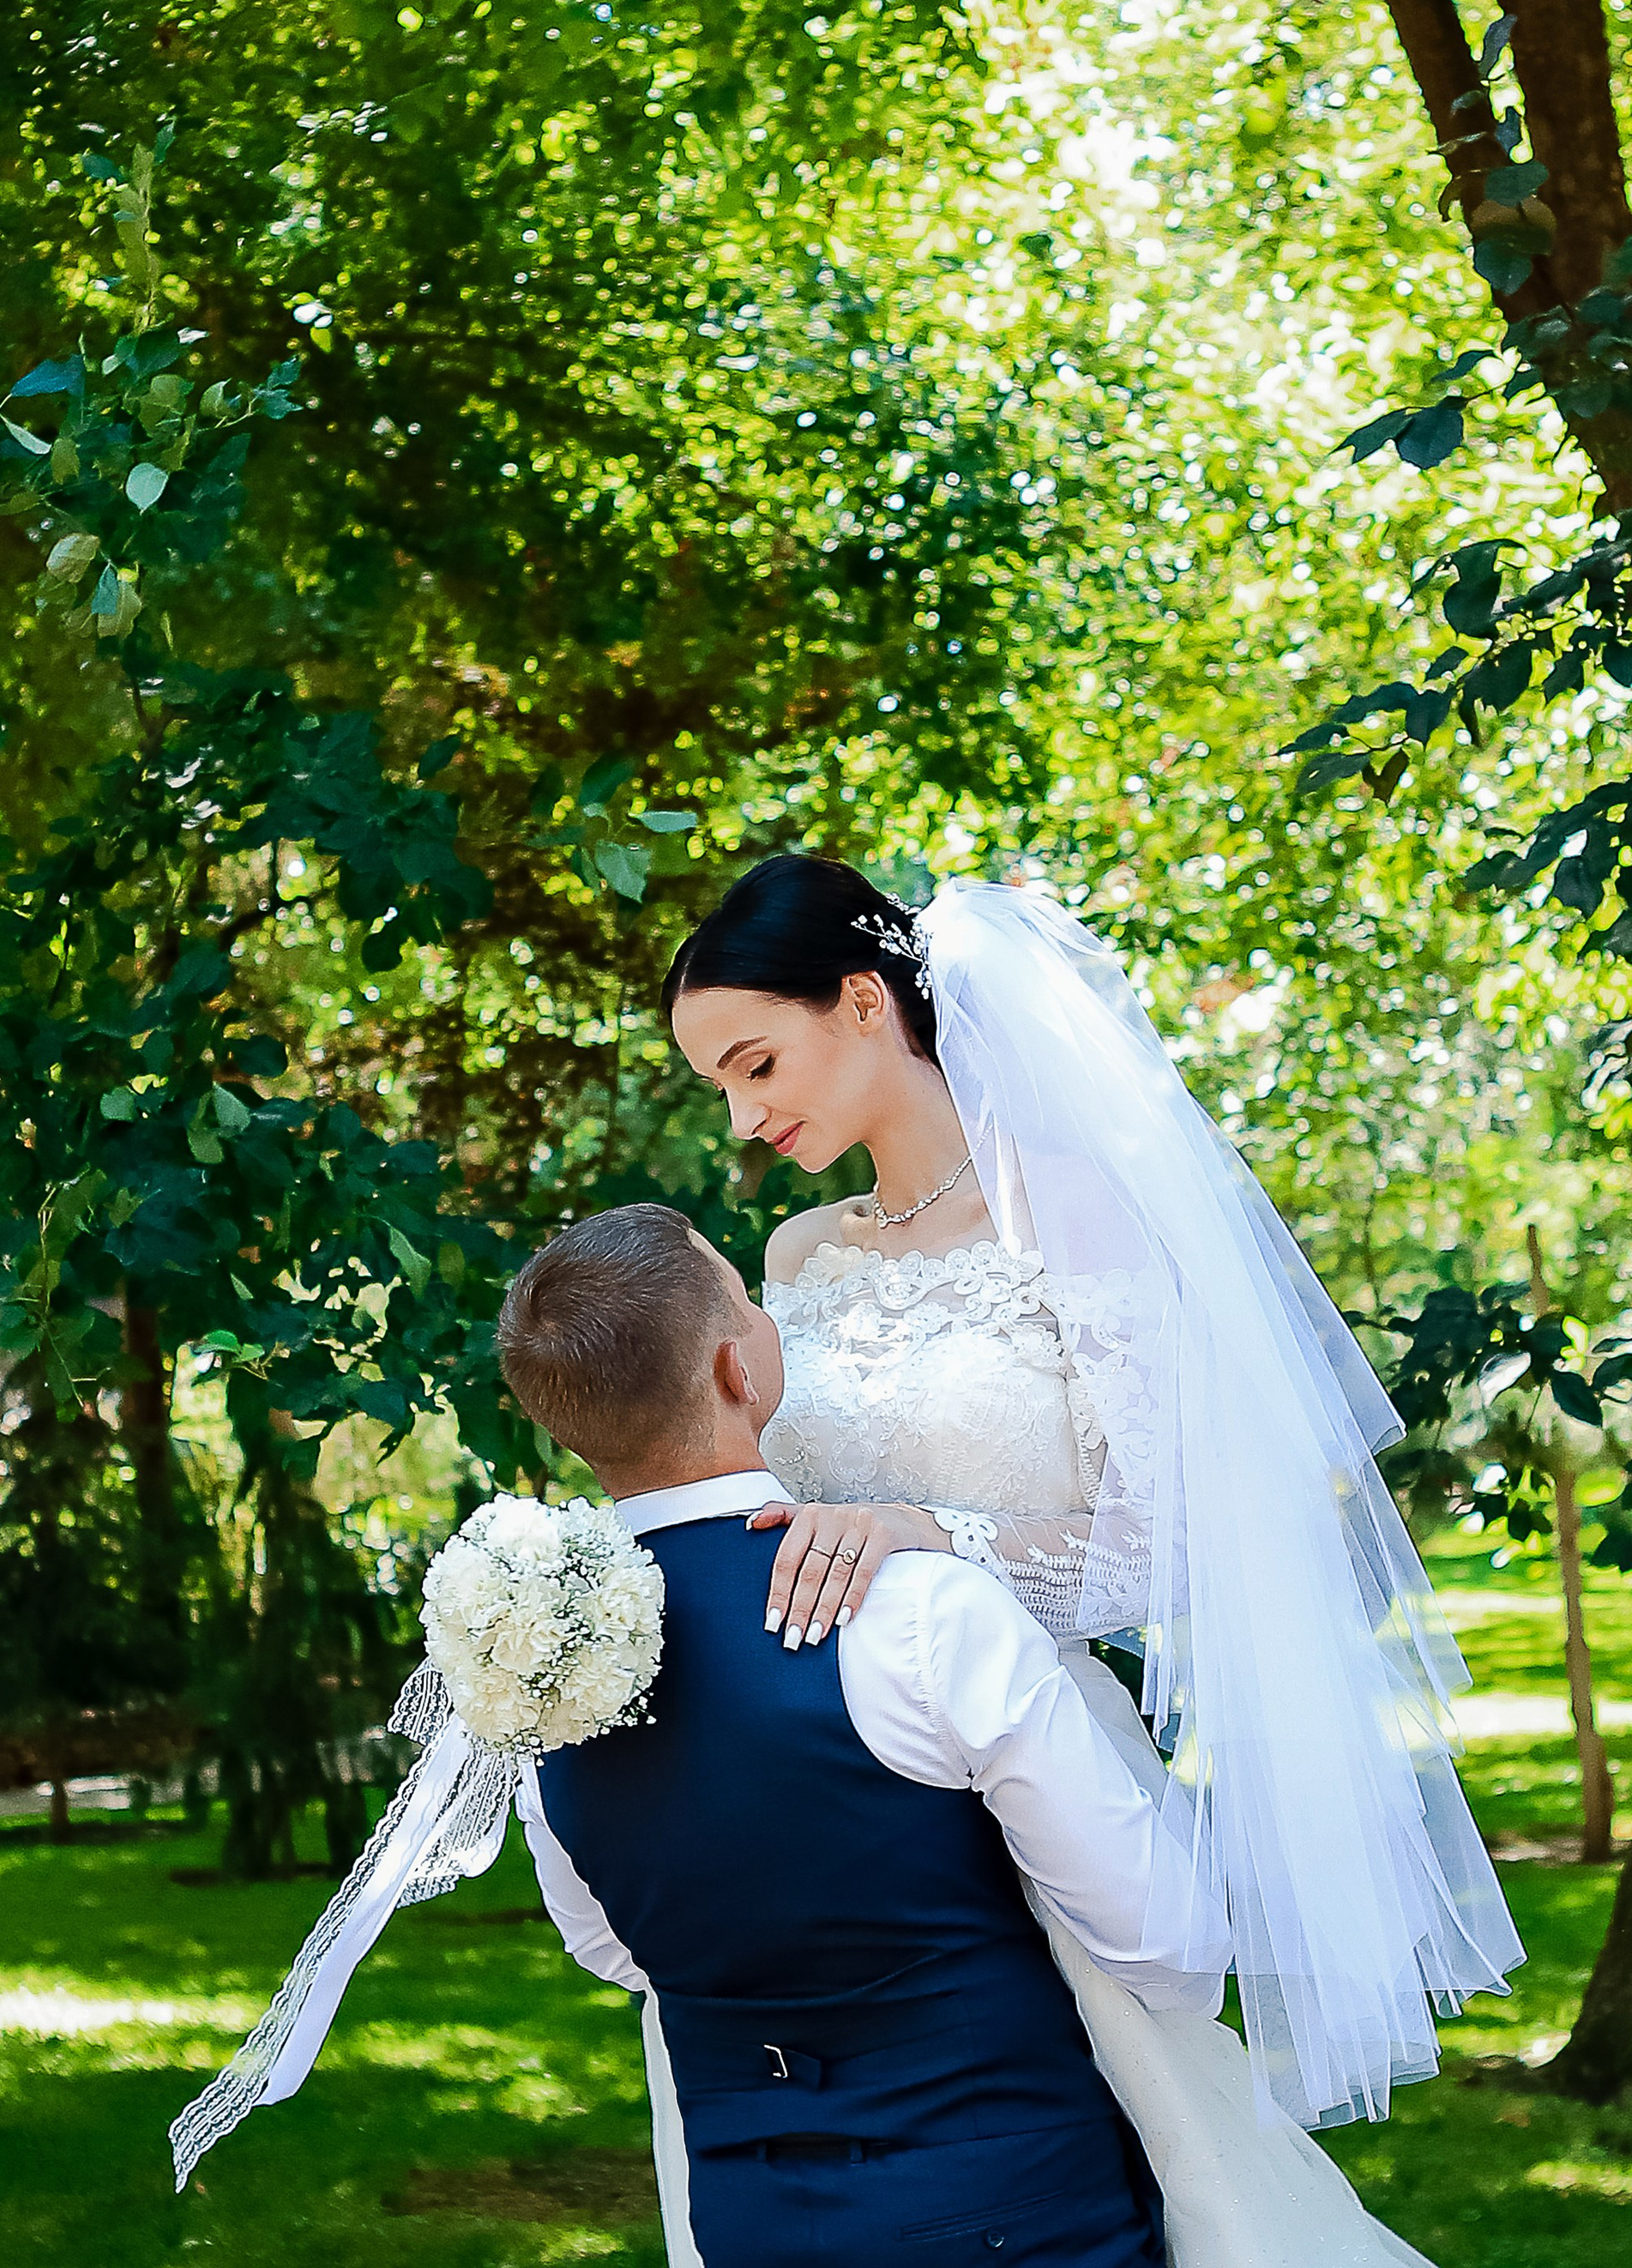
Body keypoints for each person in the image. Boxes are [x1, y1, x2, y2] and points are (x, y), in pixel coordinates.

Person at [655, 851, 1519, 2260]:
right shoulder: (802, 1253)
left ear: (865, 1002)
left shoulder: (1079, 1211)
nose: (748, 1118)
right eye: (724, 1090)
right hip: (828, 1783)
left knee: (1156, 2179)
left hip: (1041, 1768)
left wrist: (929, 1537)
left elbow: (1178, 1549)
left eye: (758, 1063)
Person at [500, 1202, 1219, 2268]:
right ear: (738, 1370)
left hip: (750, 2221)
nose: (761, 1300)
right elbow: (1170, 1948)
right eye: (746, 1296)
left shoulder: (534, 1671)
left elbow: (614, 1948)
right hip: (1015, 2216)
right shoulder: (925, 1617)